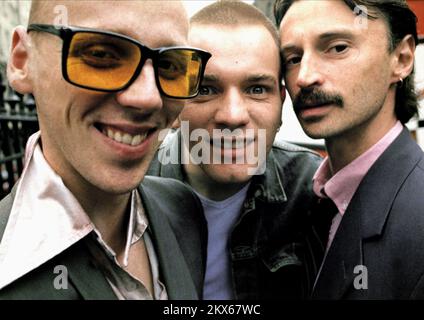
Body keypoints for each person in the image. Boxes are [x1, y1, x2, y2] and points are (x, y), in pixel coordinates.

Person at [0, 0, 211, 300]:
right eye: (101, 55)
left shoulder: (182, 208)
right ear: (23, 60)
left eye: (169, 65)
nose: (148, 97)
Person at [147, 0, 321, 300]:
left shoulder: (313, 191)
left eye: (256, 89)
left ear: (281, 105)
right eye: (205, 89)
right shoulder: (129, 193)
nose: (232, 115)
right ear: (174, 103)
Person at [275, 0, 424, 299]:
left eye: (338, 48)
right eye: (292, 58)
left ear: (402, 57)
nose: (304, 77)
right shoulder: (300, 204)